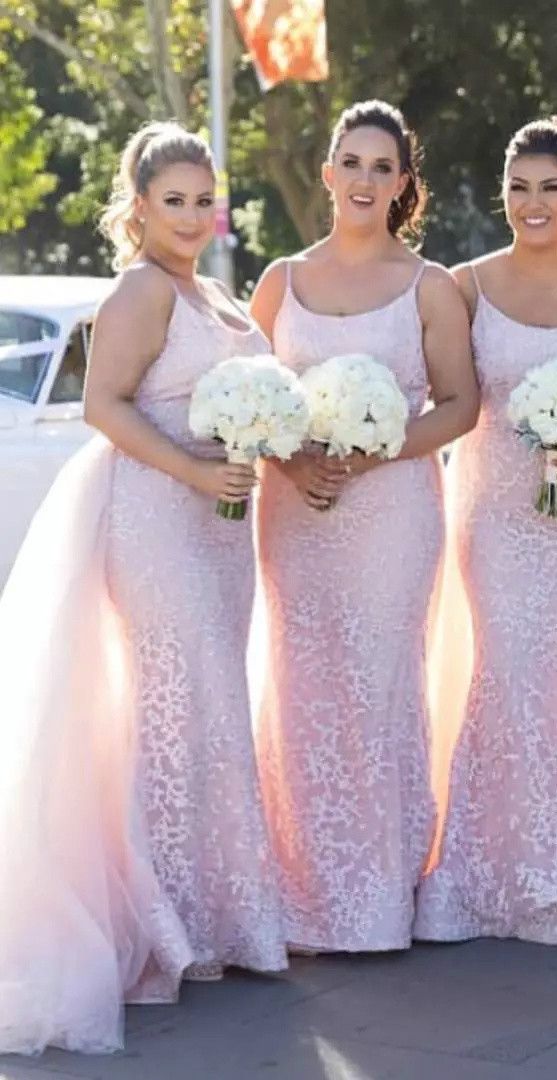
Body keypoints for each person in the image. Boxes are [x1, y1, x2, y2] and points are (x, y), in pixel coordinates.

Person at [0, 122, 287, 1054]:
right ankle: (163, 926)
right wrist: (197, 474)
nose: (195, 215)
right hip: (159, 520)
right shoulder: (138, 291)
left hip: (219, 529)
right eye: (176, 200)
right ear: (139, 207)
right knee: (177, 702)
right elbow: (102, 404)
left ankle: (213, 915)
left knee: (212, 707)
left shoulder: (216, 294)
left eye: (206, 200)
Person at [249, 100, 478, 953]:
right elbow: (253, 404)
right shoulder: (280, 281)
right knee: (304, 689)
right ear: (327, 170)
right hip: (298, 509)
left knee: (378, 685)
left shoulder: (430, 285)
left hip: (392, 510)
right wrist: (292, 461)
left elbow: (460, 405)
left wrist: (375, 453)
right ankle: (301, 889)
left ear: (403, 183)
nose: (365, 180)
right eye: (352, 161)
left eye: (383, 167)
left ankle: (379, 893)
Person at [416, 117, 557, 947]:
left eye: (552, 187)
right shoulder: (464, 286)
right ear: (501, 192)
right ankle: (489, 874)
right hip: (499, 518)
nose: (533, 203)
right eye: (519, 187)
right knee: (507, 676)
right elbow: (449, 396)